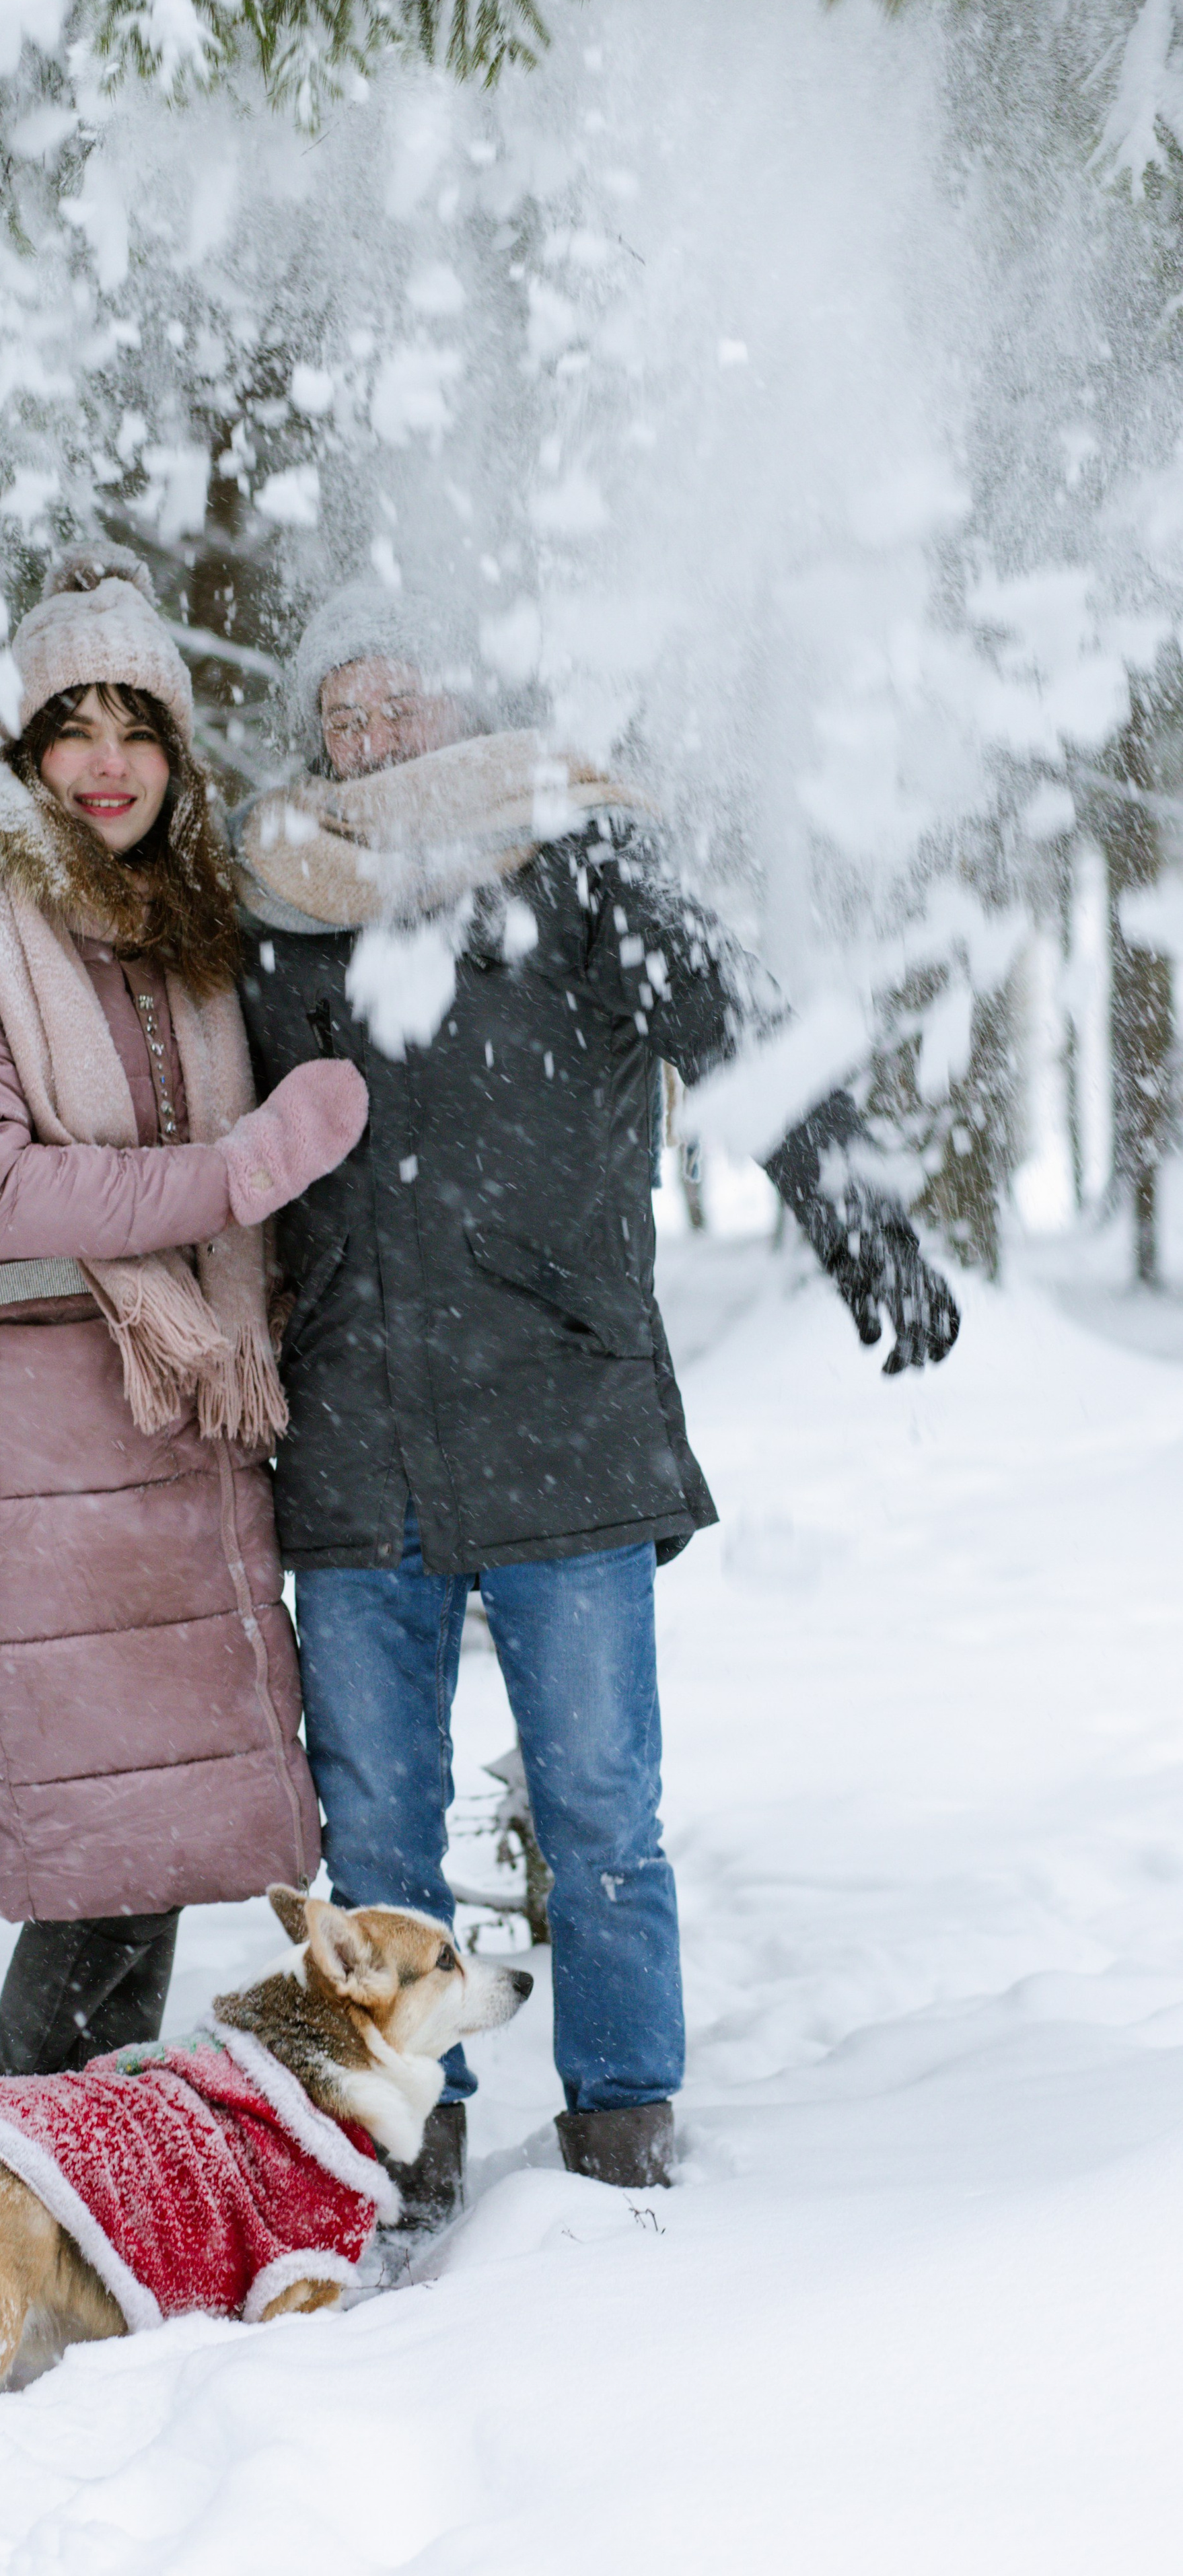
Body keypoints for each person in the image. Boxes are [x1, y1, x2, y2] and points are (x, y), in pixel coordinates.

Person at [234, 583, 959, 2212]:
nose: (370, 741)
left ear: (461, 712)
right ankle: (403, 2138)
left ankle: (621, 2126)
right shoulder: (281, 895)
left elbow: (741, 1035)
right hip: (355, 1441)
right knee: (373, 1840)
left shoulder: (572, 857)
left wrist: (865, 1225)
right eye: (339, 716)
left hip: (557, 1414)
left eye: (397, 706)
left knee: (597, 1813)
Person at [0, 547, 366, 2080]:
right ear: (25, 754)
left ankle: (66, 2185)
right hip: (28, 1470)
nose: (105, 762)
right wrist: (242, 1170)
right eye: (71, 727)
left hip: (163, 1449)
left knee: (136, 1858)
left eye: (135, 727)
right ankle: (14, 2190)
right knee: (96, 1867)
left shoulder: (177, 930)